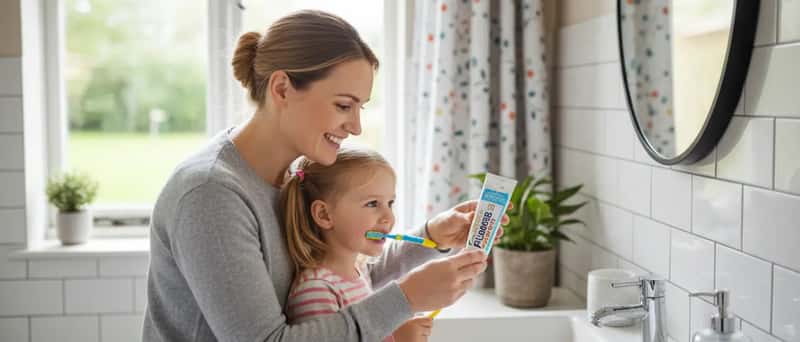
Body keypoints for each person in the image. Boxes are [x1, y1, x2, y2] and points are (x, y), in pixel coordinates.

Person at [142, 10, 503, 342]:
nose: (357, 126)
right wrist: (406, 299)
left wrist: (430, 237)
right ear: (282, 88)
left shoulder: (293, 175)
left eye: (360, 108)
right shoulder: (210, 195)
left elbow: (341, 281)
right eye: (343, 105)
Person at [281, 149, 433, 341]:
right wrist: (396, 339)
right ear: (324, 215)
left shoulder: (359, 272)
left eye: (390, 203)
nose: (389, 218)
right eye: (372, 204)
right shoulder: (317, 290)